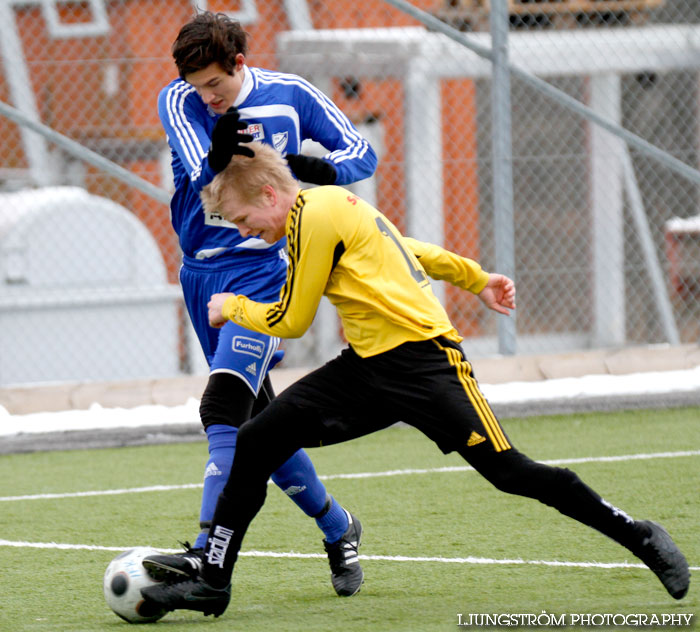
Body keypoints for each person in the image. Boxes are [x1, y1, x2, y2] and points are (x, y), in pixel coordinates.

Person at [141, 142, 690, 617]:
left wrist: (231, 306)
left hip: (425, 363)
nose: (245, 233)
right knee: (256, 439)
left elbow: (293, 319)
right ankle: (213, 582)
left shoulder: (317, 211)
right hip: (365, 368)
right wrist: (475, 278)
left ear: (267, 194)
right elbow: (410, 251)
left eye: (241, 219)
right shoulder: (316, 217)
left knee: (510, 471)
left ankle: (639, 534)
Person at [143, 11, 377, 598]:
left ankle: (206, 553)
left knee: (222, 407)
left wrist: (322, 171)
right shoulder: (178, 99)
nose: (208, 97)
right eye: (199, 88)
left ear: (240, 64)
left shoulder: (291, 95)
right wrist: (221, 149)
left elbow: (361, 151)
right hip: (202, 276)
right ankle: (336, 524)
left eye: (215, 86)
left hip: (266, 271)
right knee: (259, 428)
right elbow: (202, 167)